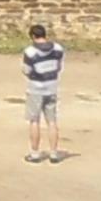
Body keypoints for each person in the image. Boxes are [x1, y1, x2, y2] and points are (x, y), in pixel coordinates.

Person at [22, 19, 67, 161]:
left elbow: (26, 70)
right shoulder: (58, 49)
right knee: (52, 121)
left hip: (36, 88)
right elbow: (59, 67)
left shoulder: (30, 52)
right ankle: (54, 153)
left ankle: (35, 153)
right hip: (52, 87)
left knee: (34, 121)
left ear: (33, 36)